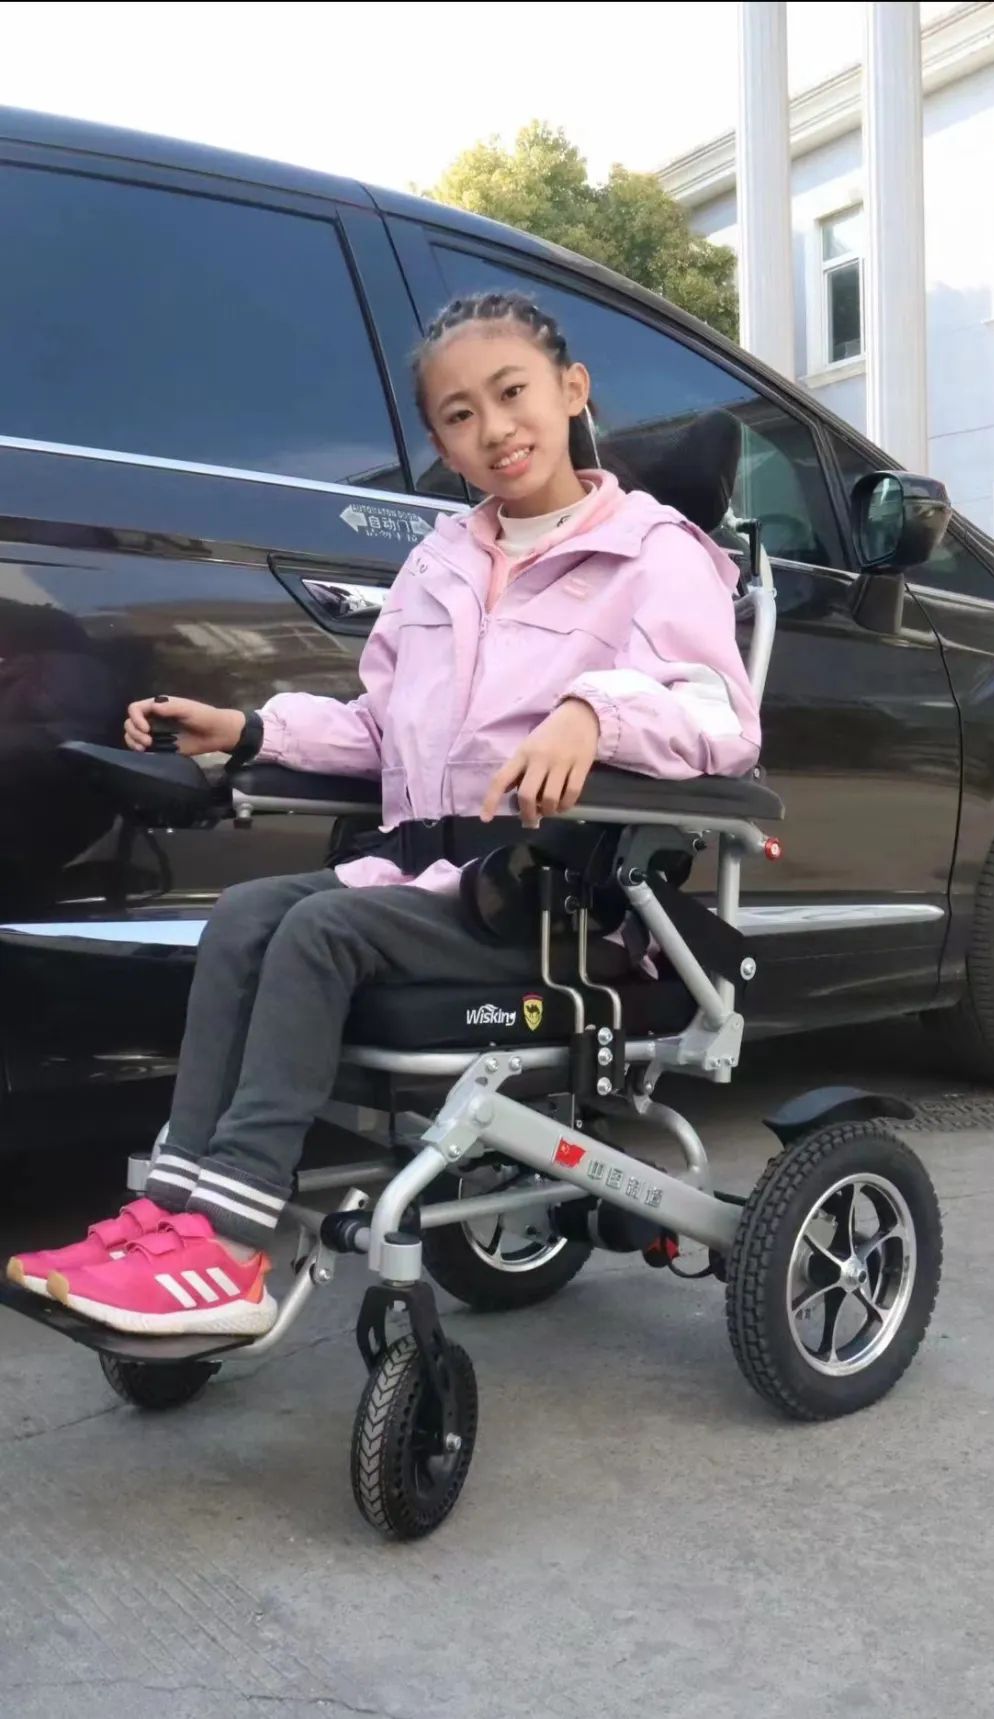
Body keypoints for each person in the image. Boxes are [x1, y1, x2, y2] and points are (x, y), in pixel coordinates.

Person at [7, 291, 761, 1339]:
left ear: (571, 390)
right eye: (460, 414)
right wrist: (247, 729)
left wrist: (595, 712)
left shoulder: (654, 551)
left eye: (512, 393)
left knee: (321, 928)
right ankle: (170, 1215)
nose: (494, 428)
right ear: (442, 445)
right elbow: (379, 727)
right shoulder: (439, 564)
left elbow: (720, 719)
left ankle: (231, 1243)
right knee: (245, 915)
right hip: (425, 885)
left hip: (551, 904)